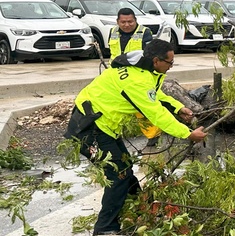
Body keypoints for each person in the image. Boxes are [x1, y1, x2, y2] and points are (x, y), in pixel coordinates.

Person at [64, 39, 207, 235]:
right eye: (170, 63)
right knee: (118, 175)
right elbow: (155, 112)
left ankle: (141, 208)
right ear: (156, 60)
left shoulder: (142, 65)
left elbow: (154, 95)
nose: (171, 67)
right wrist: (188, 134)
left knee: (125, 166)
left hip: (103, 126)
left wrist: (177, 106)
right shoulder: (136, 80)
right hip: (88, 129)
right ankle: (105, 228)